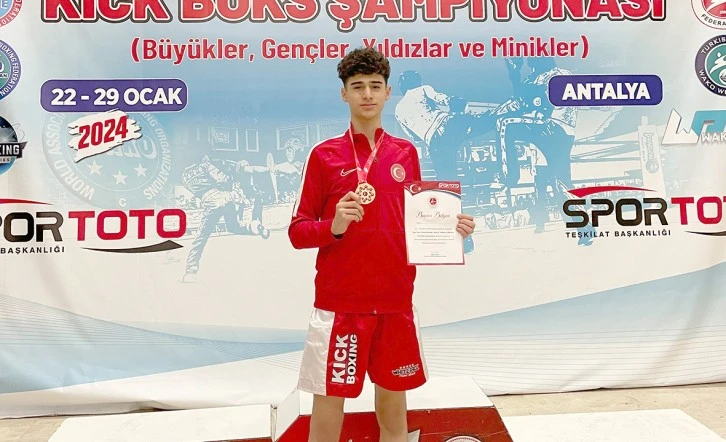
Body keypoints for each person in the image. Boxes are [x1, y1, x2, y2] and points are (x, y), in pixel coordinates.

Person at [287, 47, 476, 442]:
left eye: (375, 85)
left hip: (394, 301)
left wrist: (450, 231)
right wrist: (335, 226)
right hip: (341, 305)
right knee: (328, 404)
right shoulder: (323, 156)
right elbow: (298, 232)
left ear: (389, 92)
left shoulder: (405, 153)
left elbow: (415, 224)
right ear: (344, 94)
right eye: (358, 86)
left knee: (393, 407)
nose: (367, 94)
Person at [181, 153, 270, 283]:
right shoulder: (205, 165)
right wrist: (232, 179)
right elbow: (222, 179)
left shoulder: (184, 177)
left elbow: (198, 191)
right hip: (225, 199)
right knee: (233, 226)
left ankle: (190, 271)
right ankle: (253, 227)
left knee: (201, 237)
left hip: (210, 203)